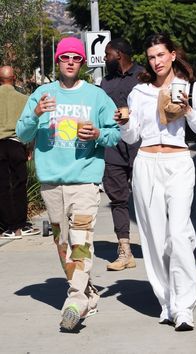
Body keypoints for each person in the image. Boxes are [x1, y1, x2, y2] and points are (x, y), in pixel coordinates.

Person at [16, 37, 120, 331]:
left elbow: (114, 135)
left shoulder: (96, 97)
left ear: (83, 62)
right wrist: (36, 115)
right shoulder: (42, 93)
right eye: (65, 57)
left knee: (81, 241)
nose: (71, 61)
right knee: (63, 244)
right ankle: (88, 294)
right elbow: (23, 134)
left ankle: (74, 300)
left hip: (85, 180)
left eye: (76, 57)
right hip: (52, 182)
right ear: (58, 62)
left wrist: (98, 133)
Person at [115, 32, 196, 331]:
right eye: (151, 56)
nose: (156, 61)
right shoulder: (139, 91)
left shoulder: (189, 88)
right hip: (146, 163)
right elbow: (132, 137)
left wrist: (189, 110)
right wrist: (125, 122)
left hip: (179, 163)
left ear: (172, 55)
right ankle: (167, 303)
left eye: (161, 54)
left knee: (179, 235)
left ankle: (185, 307)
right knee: (154, 237)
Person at [101, 38, 144, 271]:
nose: (105, 59)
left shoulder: (144, 76)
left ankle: (156, 246)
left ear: (119, 54)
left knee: (147, 197)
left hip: (141, 146)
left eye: (108, 55)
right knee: (117, 198)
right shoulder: (105, 81)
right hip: (113, 148)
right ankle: (125, 250)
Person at [0, 66, 40, 240]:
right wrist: (30, 146)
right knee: (19, 185)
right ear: (14, 78)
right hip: (17, 144)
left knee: (2, 186)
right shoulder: (24, 99)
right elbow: (30, 124)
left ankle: (6, 227)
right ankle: (20, 225)